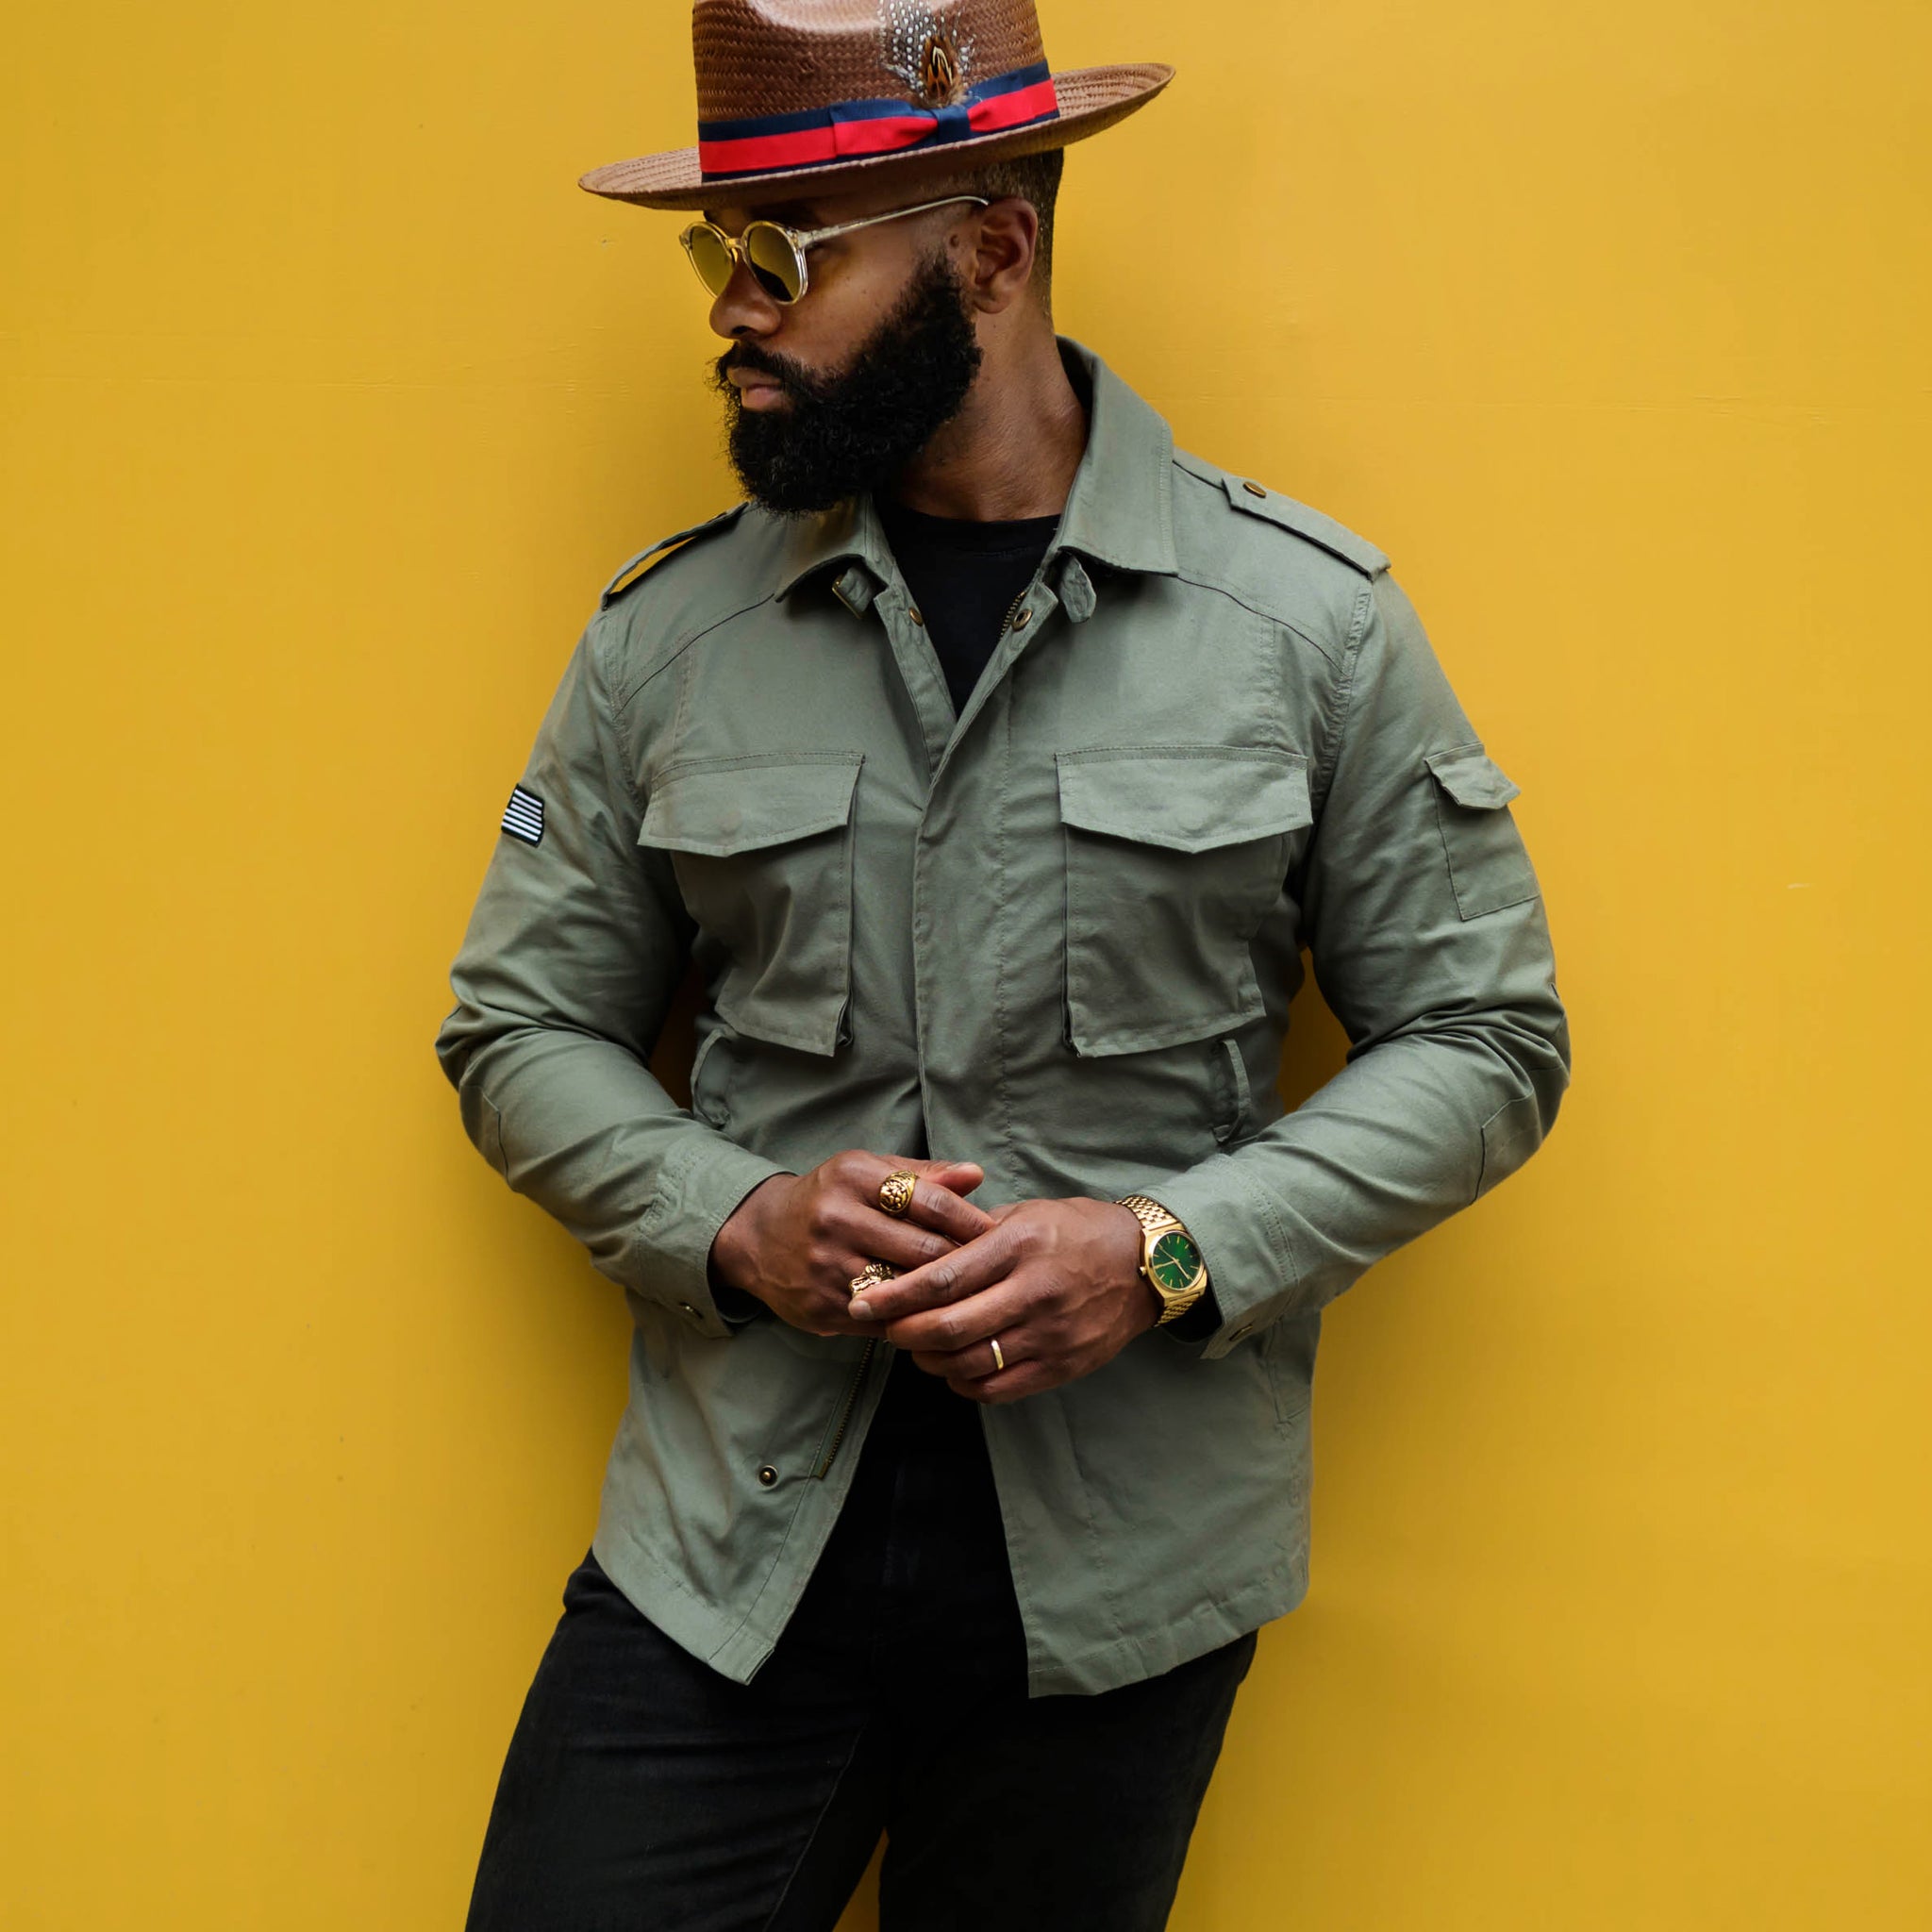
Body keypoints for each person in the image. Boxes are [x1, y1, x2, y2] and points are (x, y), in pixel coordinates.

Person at [436, 2, 1572, 1925]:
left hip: (1120, 1589)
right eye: (717, 254)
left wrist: (1166, 1250)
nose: (732, 311)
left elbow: (1486, 1035)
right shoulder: (667, 639)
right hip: (725, 1560)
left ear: (987, 247)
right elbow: (518, 1022)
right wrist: (735, 1220)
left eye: (783, 254)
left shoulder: (1302, 627)